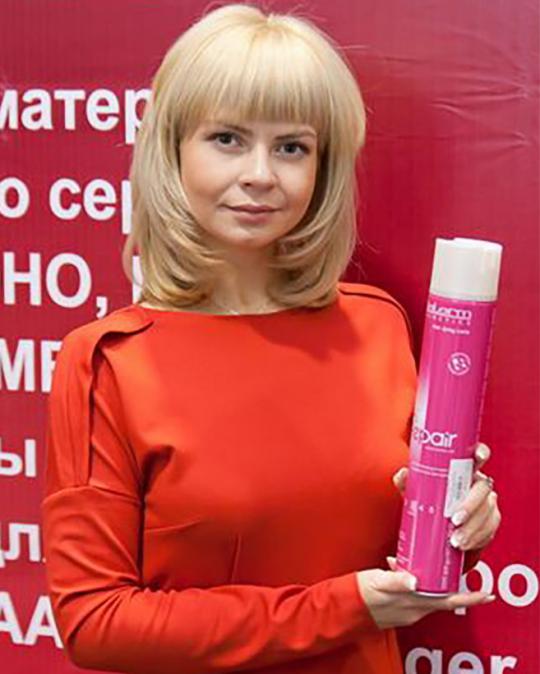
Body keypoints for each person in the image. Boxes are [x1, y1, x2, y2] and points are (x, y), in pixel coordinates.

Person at [41, 3, 502, 673]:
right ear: (172, 151)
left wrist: (463, 526)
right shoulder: (108, 363)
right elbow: (96, 623)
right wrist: (342, 608)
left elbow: (403, 557)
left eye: (291, 147)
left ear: (322, 169)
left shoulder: (376, 325)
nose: (260, 174)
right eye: (227, 138)